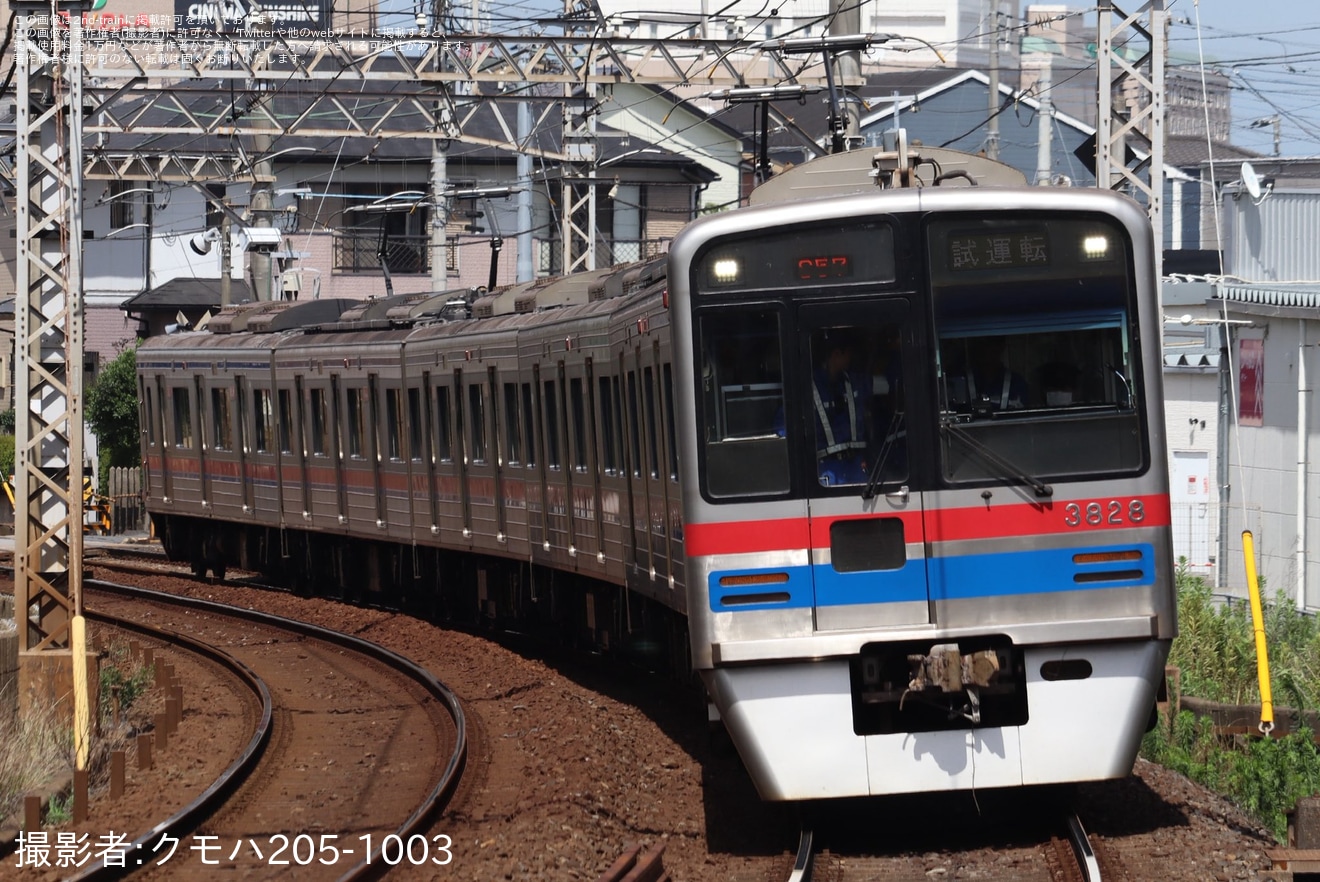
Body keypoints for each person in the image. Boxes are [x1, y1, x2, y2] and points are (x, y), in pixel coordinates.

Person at [811, 332, 870, 485]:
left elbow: (866, 417)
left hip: (856, 465)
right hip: (828, 469)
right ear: (837, 354)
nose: (851, 359)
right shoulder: (810, 387)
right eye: (848, 354)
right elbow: (785, 426)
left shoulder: (852, 381)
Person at [947, 336, 1027, 413]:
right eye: (984, 345)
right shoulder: (960, 381)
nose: (988, 350)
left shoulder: (1017, 383)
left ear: (1002, 348)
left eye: (994, 345)